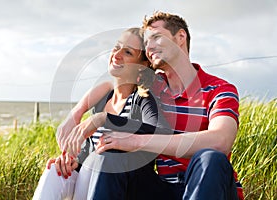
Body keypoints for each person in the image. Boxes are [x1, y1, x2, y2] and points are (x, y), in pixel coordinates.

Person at [62, 11, 244, 200]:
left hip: (211, 187)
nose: (149, 47)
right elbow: (111, 84)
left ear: (180, 37)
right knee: (112, 155)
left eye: (156, 37)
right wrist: (77, 114)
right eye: (146, 43)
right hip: (163, 188)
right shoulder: (152, 88)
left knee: (211, 158)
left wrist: (135, 141)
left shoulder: (219, 89)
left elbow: (220, 141)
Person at [33, 27, 172, 200]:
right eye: (116, 47)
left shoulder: (142, 98)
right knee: (55, 170)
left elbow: (161, 133)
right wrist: (71, 162)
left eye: (128, 52)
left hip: (122, 186)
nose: (117, 54)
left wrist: (106, 120)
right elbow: (88, 154)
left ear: (142, 65)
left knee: (97, 161)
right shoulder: (103, 98)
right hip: (88, 177)